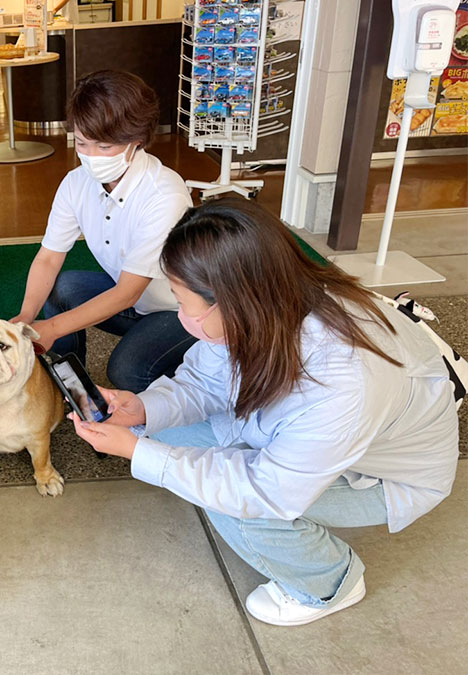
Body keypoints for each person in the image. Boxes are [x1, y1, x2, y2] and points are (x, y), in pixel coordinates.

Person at [70, 199, 460, 627]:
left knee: (236, 508)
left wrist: (138, 454)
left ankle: (329, 583)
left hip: (386, 478)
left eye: (184, 303)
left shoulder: (341, 382)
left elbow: (266, 493)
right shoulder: (273, 305)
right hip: (314, 436)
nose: (181, 318)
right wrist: (144, 406)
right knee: (161, 437)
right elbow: (205, 380)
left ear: (230, 301)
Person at [12, 70, 195, 393]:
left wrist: (51, 327)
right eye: (82, 143)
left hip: (179, 312)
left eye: (105, 146)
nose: (91, 157)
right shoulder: (75, 183)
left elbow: (128, 292)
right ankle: (70, 386)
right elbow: (49, 258)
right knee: (62, 286)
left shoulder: (165, 194)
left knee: (126, 370)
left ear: (136, 140)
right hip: (132, 303)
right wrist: (27, 318)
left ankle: (159, 421)